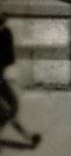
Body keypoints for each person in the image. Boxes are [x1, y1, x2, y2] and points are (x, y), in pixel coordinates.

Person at [0, 14, 41, 148]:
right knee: (7, 109)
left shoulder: (5, 33)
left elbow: (9, 58)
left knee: (12, 105)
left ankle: (27, 136)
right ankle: (27, 136)